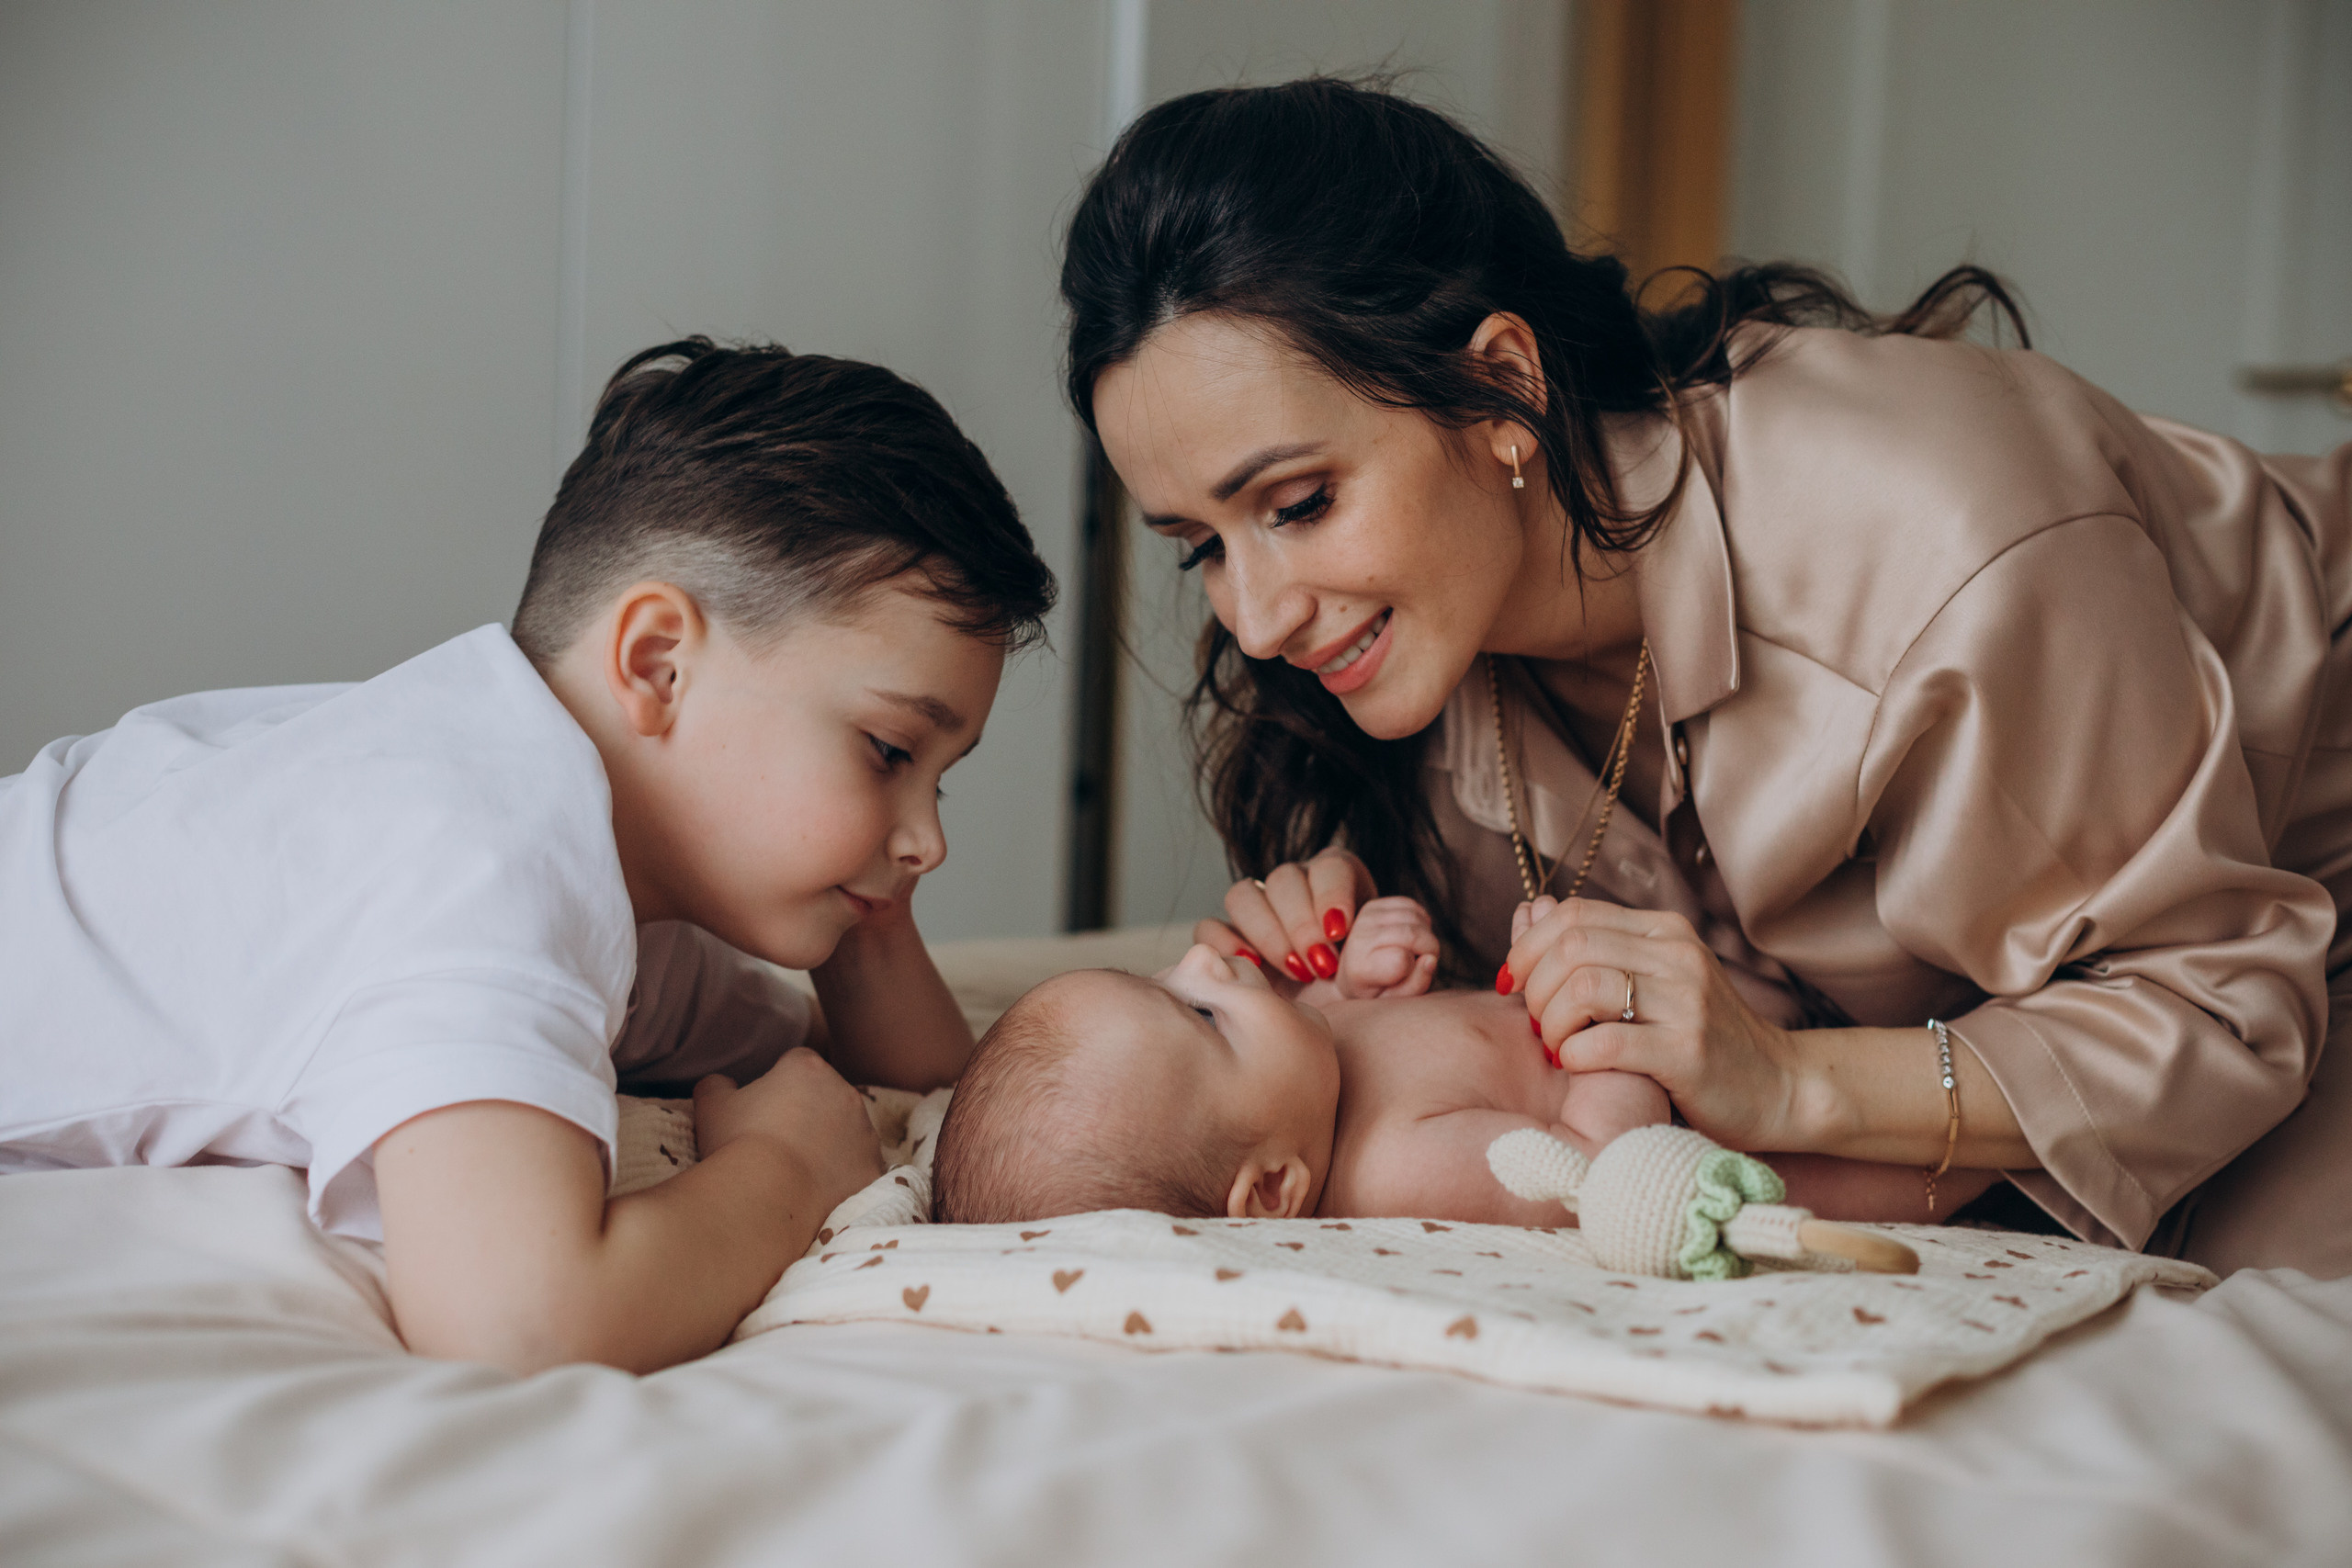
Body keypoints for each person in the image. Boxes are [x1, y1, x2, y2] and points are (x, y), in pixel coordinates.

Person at [1059, 77, 2352, 1276]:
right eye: (1199, 553)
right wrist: (1334, 991)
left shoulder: (1945, 550)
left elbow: (2227, 1001)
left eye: (1297, 501)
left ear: (1500, 382)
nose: (1260, 616)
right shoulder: (1440, 650)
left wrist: (1793, 1082)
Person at [0, 338, 1056, 1372]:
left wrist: (870, 882)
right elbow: (521, 1321)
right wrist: (783, 1171)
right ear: (657, 666)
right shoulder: (483, 857)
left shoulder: (605, 876)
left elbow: (914, 1088)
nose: (932, 838)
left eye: (939, 776)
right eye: (887, 750)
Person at [932, 899, 1962, 1228]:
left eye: (1156, 973)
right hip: (1738, 1134)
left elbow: (1346, 1023)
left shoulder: (1307, 1067)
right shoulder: (1395, 1169)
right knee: (1913, 1165)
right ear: (1274, 1191)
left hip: (1744, 1018)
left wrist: (1370, 970)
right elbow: (1597, 1164)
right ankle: (2012, 1165)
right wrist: (1601, 1027)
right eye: (1198, 1014)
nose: (1201, 956)